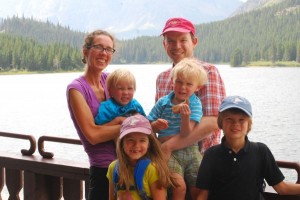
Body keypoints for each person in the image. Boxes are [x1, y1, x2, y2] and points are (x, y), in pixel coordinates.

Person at [196, 95, 300, 200]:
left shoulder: (261, 151)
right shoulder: (211, 154)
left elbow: (282, 188)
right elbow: (203, 195)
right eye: (229, 119)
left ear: (248, 124)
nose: (235, 124)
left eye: (241, 120)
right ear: (221, 122)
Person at [66, 29, 125, 200]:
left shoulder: (110, 80)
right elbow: (92, 135)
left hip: (129, 166)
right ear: (86, 51)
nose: (104, 53)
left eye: (108, 49)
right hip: (103, 171)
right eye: (99, 47)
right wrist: (124, 124)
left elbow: (130, 108)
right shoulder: (76, 89)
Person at [155, 17, 226, 157]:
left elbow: (214, 121)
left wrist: (168, 146)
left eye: (183, 40)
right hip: (168, 159)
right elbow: (159, 118)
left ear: (194, 42)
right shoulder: (162, 78)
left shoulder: (208, 72)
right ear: (164, 44)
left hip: (204, 160)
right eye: (171, 41)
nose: (177, 46)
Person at [148, 58, 208, 200]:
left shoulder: (194, 104)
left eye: (188, 84)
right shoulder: (163, 102)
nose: (182, 87)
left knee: (198, 187)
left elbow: (186, 133)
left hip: (190, 149)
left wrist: (185, 117)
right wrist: (155, 125)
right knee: (179, 186)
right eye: (179, 82)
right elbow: (147, 125)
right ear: (172, 81)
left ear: (197, 87)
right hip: (170, 153)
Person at [106, 114, 176, 200]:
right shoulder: (113, 168)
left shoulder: (153, 169)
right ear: (121, 143)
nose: (136, 145)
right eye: (130, 140)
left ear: (149, 143)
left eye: (142, 140)